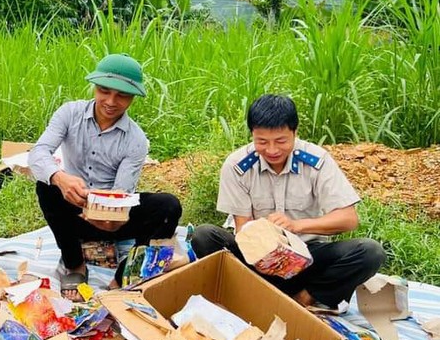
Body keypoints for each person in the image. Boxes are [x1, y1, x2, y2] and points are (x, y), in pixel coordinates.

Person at [190, 94, 385, 309]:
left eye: (281, 141)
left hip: (307, 258)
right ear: (252, 134)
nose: (272, 150)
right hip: (256, 259)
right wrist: (267, 248)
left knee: (370, 251)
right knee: (204, 235)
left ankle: (304, 298)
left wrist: (296, 226)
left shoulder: (317, 161)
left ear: (295, 132)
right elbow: (242, 228)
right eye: (262, 142)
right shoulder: (237, 165)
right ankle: (247, 294)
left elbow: (348, 219)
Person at [28, 54, 182, 298]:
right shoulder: (69, 114)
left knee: (168, 206)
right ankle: (74, 264)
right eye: (104, 91)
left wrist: (114, 215)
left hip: (113, 220)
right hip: (75, 209)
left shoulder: (135, 140)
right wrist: (60, 178)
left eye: (122, 95)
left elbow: (122, 193)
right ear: (94, 88)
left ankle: (124, 275)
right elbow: (38, 153)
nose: (111, 101)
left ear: (132, 98)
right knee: (45, 186)